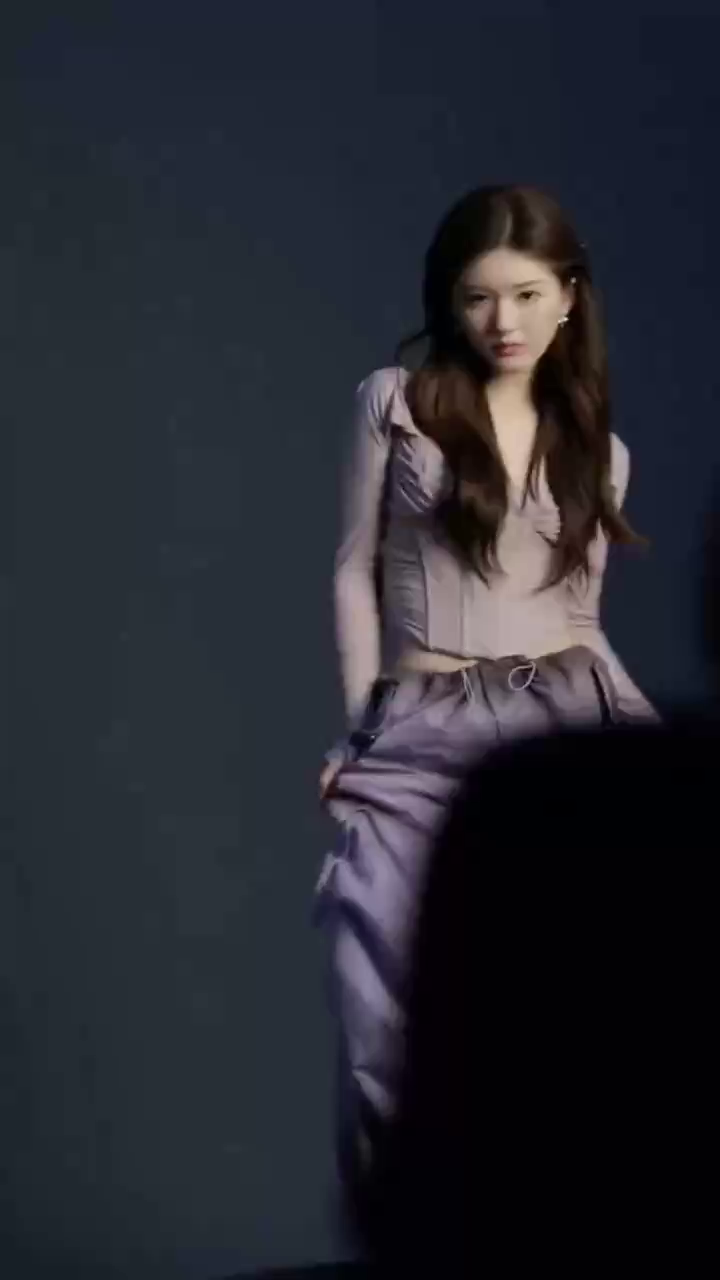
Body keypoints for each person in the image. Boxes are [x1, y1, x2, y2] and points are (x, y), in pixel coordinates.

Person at [314, 183, 658, 1198]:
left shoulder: (602, 454)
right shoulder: (396, 402)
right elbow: (351, 570)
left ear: (569, 298)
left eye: (526, 294)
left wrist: (656, 745)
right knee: (379, 1000)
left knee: (562, 1014)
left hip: (561, 729)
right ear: (450, 302)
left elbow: (584, 625)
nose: (502, 321)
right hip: (421, 722)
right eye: (476, 297)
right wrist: (359, 730)